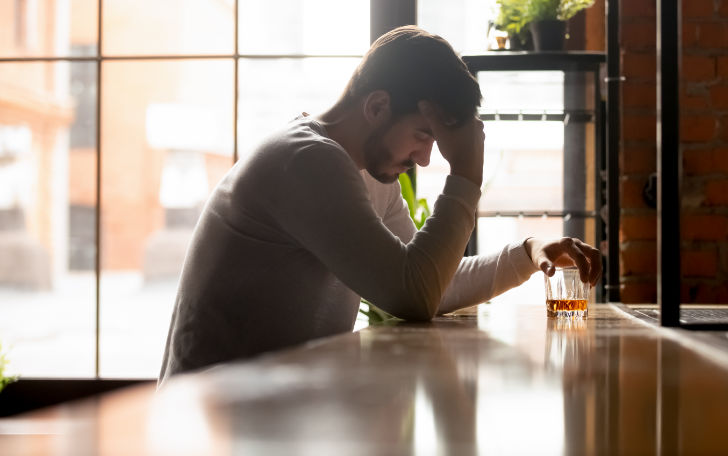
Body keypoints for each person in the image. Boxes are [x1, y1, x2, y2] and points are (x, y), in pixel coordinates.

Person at [159, 25, 601, 385]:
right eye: (424, 136)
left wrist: (527, 253)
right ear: (377, 105)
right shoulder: (306, 159)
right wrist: (466, 172)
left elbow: (433, 285)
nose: (426, 158)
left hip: (270, 413)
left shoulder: (369, 174)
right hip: (207, 421)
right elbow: (412, 294)